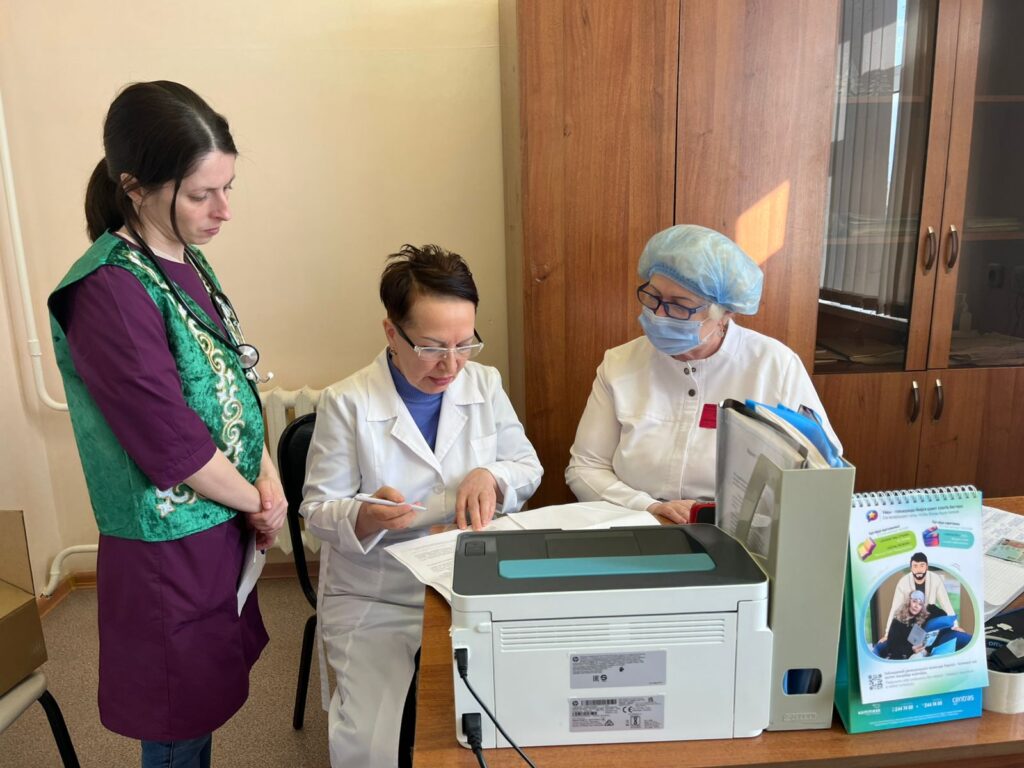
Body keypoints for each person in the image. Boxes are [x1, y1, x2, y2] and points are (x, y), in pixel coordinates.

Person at [48, 81, 286, 768]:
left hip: (219, 522)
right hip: (166, 550)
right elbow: (171, 442)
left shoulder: (186, 259)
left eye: (227, 188)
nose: (224, 210)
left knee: (205, 697)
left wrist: (266, 480)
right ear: (134, 186)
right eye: (202, 194)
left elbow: (232, 382)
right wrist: (259, 500)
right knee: (178, 720)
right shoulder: (107, 290)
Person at [301, 244, 543, 768]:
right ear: (392, 332)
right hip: (379, 590)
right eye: (433, 348)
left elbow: (528, 466)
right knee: (371, 745)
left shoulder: (485, 383)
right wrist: (363, 515)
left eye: (465, 344)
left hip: (473, 580)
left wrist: (492, 475)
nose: (451, 365)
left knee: (513, 716)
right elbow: (318, 509)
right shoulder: (347, 402)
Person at [565, 224, 841, 521]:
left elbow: (820, 471)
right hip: (634, 519)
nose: (658, 314)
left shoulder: (775, 366)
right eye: (653, 296)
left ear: (725, 313)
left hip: (739, 530)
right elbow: (585, 467)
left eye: (679, 306)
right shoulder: (620, 363)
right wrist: (648, 506)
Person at [881, 552, 958, 638]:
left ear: (927, 567)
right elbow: (895, 608)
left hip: (929, 618)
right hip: (911, 622)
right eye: (915, 566)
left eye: (922, 566)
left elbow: (945, 603)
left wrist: (955, 626)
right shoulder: (903, 582)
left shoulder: (935, 579)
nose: (919, 570)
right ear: (911, 568)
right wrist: (887, 634)